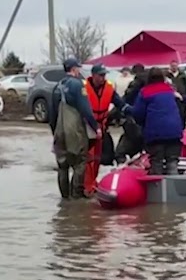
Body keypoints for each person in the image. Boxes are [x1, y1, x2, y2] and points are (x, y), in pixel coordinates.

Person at [49, 58, 100, 200]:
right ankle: (76, 196)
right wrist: (95, 127)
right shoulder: (77, 85)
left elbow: (52, 114)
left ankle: (64, 198)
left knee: (62, 165)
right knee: (80, 161)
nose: (79, 71)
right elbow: (86, 110)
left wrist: (55, 132)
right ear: (73, 69)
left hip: (60, 131)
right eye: (78, 68)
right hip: (74, 130)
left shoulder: (57, 86)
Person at [83, 63, 128, 195]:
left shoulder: (108, 88)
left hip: (101, 127)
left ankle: (92, 181)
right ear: (93, 75)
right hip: (86, 127)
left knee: (97, 157)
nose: (103, 78)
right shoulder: (84, 88)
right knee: (88, 158)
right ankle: (86, 185)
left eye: (104, 75)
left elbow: (119, 103)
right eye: (100, 75)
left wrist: (129, 110)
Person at [131, 67, 184, 175]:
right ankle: (172, 187)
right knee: (172, 162)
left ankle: (157, 188)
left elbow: (138, 113)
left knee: (156, 162)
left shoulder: (145, 92)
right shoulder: (170, 90)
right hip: (174, 131)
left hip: (155, 133)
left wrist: (143, 124)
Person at [115, 63, 147, 164]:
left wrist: (114, 114)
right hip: (150, 122)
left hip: (134, 119)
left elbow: (126, 98)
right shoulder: (154, 83)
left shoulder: (135, 83)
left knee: (121, 151)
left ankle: (124, 170)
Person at [165, 60, 186, 128]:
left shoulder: (183, 76)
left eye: (175, 66)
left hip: (182, 99)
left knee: (182, 115)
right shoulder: (166, 76)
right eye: (172, 66)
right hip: (171, 99)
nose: (174, 67)